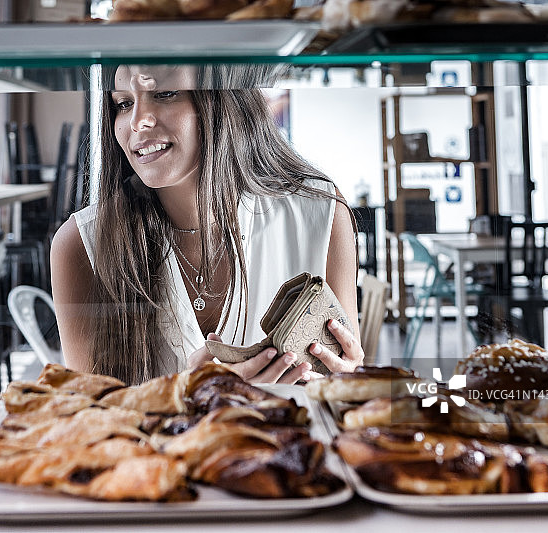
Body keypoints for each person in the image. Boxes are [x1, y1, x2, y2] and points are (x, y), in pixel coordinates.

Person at [51, 64, 363, 386]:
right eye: (123, 103)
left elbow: (346, 388)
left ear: (222, 97)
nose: (137, 121)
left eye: (165, 94)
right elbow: (89, 421)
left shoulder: (320, 213)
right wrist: (185, 399)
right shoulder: (81, 245)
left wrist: (350, 383)